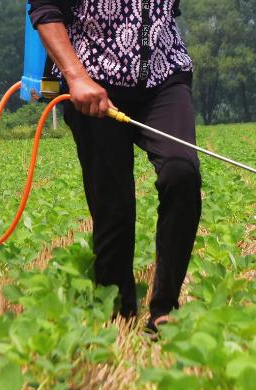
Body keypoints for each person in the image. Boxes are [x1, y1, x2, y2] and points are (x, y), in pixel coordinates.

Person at [28, 0, 202, 334]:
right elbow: (46, 9)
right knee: (114, 209)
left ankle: (165, 309)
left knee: (182, 172)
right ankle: (116, 314)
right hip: (94, 83)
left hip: (165, 75)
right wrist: (76, 77)